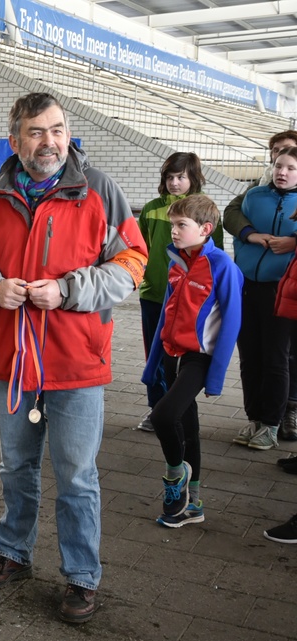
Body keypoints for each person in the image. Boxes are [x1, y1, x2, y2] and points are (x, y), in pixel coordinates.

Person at [0, 92, 147, 624]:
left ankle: (82, 575)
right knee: (16, 466)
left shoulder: (99, 190)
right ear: (15, 140)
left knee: (77, 475)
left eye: (57, 130)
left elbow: (132, 262)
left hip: (76, 362)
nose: (49, 142)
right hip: (11, 361)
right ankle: (13, 553)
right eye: (36, 132)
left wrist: (69, 290)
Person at [141, 195, 242, 528]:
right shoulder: (177, 263)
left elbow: (232, 323)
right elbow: (164, 317)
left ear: (205, 229)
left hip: (199, 359)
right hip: (172, 354)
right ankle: (192, 505)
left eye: (181, 225)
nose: (174, 231)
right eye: (173, 224)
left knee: (163, 416)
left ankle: (176, 475)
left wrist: (216, 378)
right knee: (187, 427)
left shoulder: (222, 266)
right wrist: (152, 364)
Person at [135, 153, 223, 432]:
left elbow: (215, 256)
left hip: (190, 301)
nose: (174, 182)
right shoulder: (151, 209)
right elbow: (139, 250)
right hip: (153, 295)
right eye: (169, 177)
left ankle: (177, 408)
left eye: (181, 177)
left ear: (193, 178)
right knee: (155, 354)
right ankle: (156, 408)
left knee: (183, 360)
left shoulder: (206, 211)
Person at [224, 130, 297, 442]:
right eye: (278, 165)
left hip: (281, 291)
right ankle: (254, 418)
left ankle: (271, 423)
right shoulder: (254, 196)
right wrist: (251, 235)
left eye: (291, 168)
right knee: (250, 357)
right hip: (246, 287)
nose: (282, 172)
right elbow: (231, 218)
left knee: (276, 359)